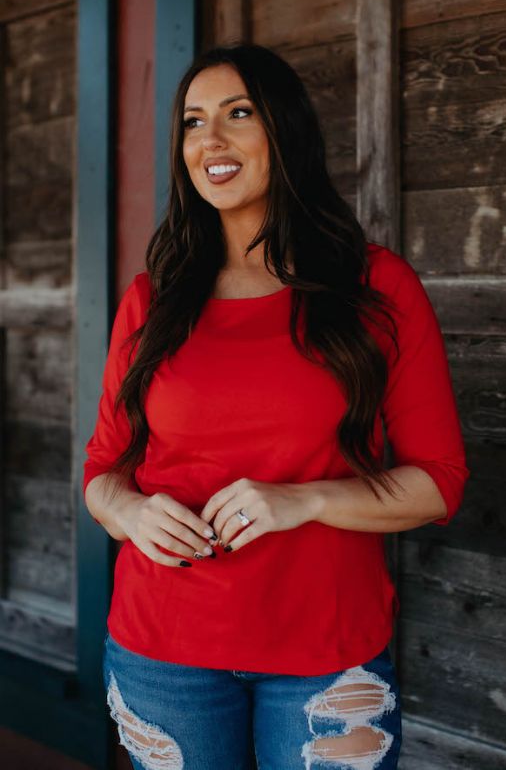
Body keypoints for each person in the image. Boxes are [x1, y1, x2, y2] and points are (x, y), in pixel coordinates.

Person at [83, 43, 469, 770]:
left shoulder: (376, 289)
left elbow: (439, 479)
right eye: (194, 122)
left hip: (326, 653)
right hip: (160, 650)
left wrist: (306, 500)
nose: (212, 140)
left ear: (284, 132)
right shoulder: (152, 301)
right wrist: (130, 513)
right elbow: (103, 470)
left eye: (239, 114)